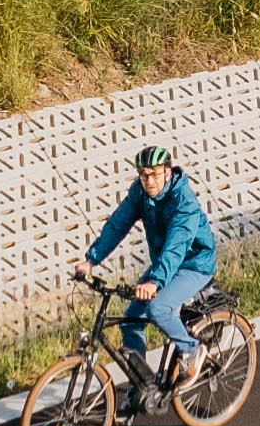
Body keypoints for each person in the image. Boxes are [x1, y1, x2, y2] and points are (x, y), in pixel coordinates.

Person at [76, 141, 216, 391]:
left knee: (158, 308)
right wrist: (91, 260)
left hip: (194, 263)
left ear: (168, 172)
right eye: (143, 175)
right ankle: (141, 387)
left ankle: (192, 350)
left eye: (154, 174)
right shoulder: (140, 193)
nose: (148, 180)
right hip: (165, 264)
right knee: (130, 321)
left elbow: (176, 246)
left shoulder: (184, 202)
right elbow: (117, 225)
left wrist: (155, 281)